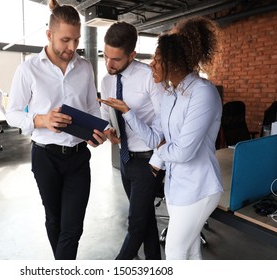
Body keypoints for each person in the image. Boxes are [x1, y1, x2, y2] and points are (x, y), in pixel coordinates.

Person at [99, 16, 223, 260]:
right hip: (175, 186)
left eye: (157, 59)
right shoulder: (171, 94)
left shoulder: (203, 93)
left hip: (199, 185)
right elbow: (157, 136)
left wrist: (157, 158)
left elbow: (184, 151)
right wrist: (128, 113)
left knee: (176, 251)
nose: (152, 64)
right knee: (191, 251)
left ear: (174, 63)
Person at [6, 0, 106, 260]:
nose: (72, 48)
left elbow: (92, 109)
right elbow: (12, 113)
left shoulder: (84, 67)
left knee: (73, 227)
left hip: (78, 156)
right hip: (45, 157)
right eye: (65, 40)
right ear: (49, 35)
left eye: (76, 40)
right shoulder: (28, 69)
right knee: (55, 220)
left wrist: (96, 132)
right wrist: (41, 120)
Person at [99, 21, 165, 260]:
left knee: (135, 224)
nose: (109, 64)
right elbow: (106, 115)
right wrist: (108, 130)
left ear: (132, 55)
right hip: (125, 160)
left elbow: (164, 128)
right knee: (145, 220)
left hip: (148, 162)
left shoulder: (150, 77)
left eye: (115, 59)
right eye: (105, 56)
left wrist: (156, 165)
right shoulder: (107, 79)